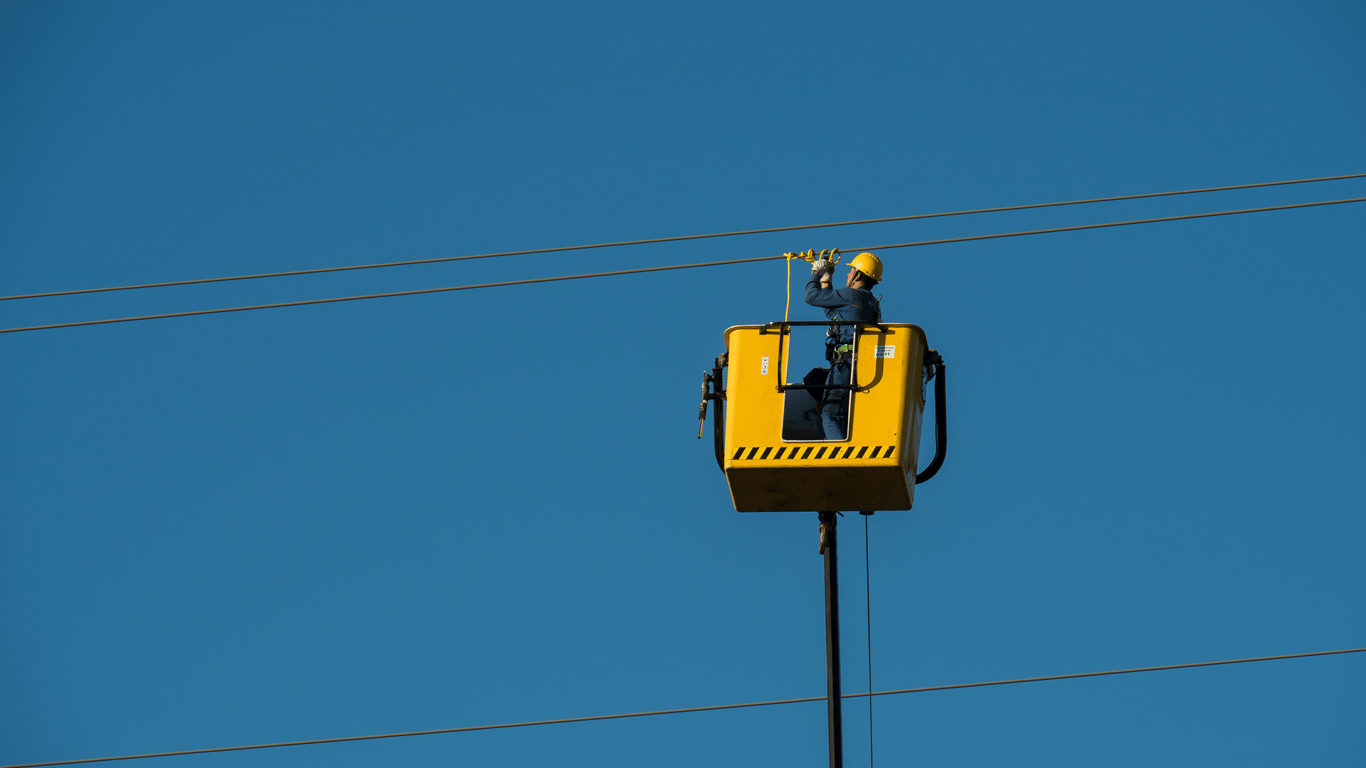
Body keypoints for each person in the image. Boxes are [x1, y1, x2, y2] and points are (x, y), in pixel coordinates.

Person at [804, 252, 883, 440]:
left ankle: (840, 456)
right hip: (859, 362)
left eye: (850, 271)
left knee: (830, 413)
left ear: (856, 274)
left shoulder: (850, 295)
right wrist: (827, 279)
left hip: (845, 362)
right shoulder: (871, 302)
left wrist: (816, 273)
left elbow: (811, 297)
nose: (847, 274)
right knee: (831, 410)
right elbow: (831, 312)